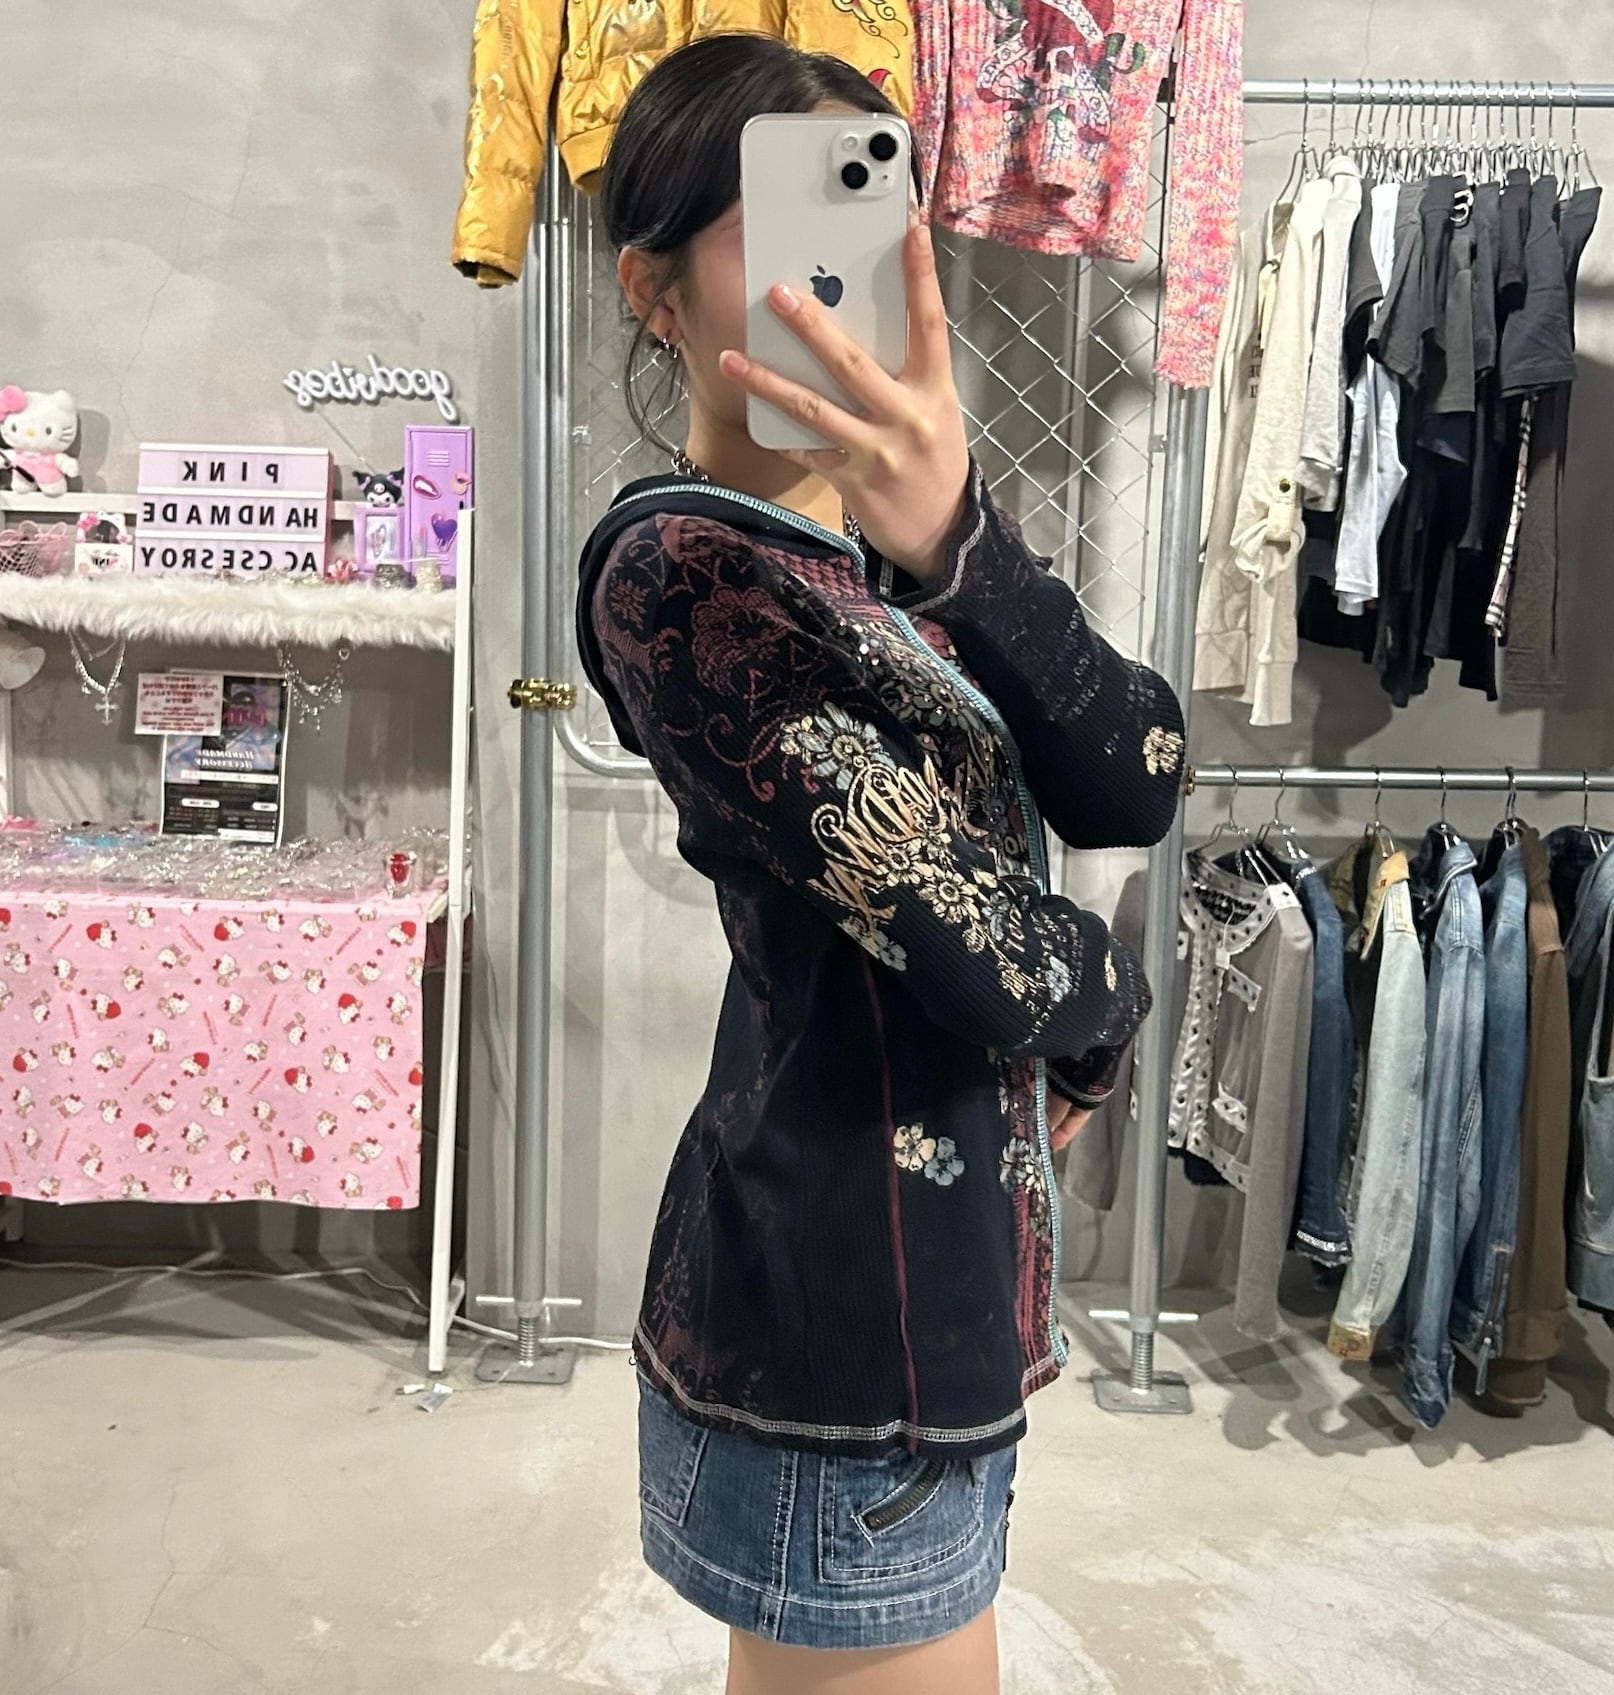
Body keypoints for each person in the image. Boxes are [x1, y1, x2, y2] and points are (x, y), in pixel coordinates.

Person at [576, 33, 1186, 1695]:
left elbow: (1137, 773)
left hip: (936, 1304)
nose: (835, 280)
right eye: (784, 230)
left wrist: (959, 539)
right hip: (841, 1329)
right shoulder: (679, 572)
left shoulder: (894, 562)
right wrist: (1103, 1010)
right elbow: (988, 951)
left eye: (865, 219)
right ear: (652, 292)